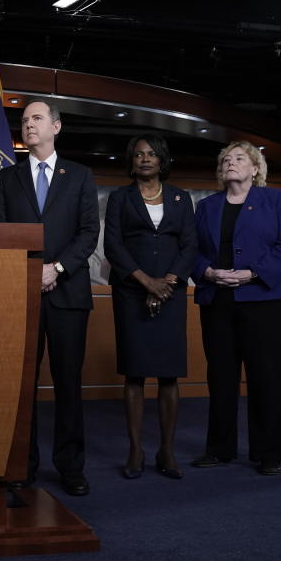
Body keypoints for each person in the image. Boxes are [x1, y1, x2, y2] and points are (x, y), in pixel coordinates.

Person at [0, 99, 99, 496]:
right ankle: (22, 465)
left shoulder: (81, 176)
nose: (29, 125)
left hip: (68, 293)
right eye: (24, 120)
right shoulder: (6, 179)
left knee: (69, 383)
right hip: (20, 294)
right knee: (21, 384)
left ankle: (71, 467)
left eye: (36, 118)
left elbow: (88, 232)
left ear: (57, 126)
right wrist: (29, 271)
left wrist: (57, 269)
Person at [191, 141, 281, 475]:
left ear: (255, 168)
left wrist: (253, 273)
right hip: (217, 299)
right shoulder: (207, 206)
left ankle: (268, 452)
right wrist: (207, 272)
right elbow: (190, 249)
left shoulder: (276, 199)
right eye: (226, 159)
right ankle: (220, 448)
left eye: (239, 158)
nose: (230, 163)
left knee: (266, 377)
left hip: (265, 300)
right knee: (221, 376)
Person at [102, 134, 197, 480]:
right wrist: (147, 282)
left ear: (162, 160)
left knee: (169, 374)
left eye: (152, 154)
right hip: (131, 293)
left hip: (170, 294)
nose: (145, 159)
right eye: (139, 154)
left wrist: (167, 282)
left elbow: (190, 245)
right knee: (135, 373)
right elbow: (112, 244)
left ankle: (167, 451)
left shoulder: (180, 198)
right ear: (131, 161)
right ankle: (136, 451)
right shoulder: (119, 198)